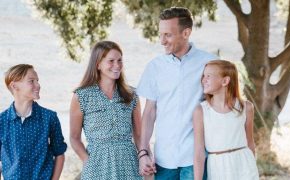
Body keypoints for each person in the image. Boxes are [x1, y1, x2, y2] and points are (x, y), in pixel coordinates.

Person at [137, 7, 218, 179]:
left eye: (168, 35)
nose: (162, 41)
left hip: (196, 158)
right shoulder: (155, 67)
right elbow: (149, 112)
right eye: (161, 34)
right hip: (163, 159)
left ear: (186, 33)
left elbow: (221, 106)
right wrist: (143, 152)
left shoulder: (209, 63)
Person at [69, 41, 142, 179]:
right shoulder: (82, 96)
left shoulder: (131, 95)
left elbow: (139, 135)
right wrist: (86, 160)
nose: (117, 65)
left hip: (128, 163)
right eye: (111, 61)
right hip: (96, 164)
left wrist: (144, 157)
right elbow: (74, 137)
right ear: (98, 64)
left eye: (120, 60)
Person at [193, 60, 259, 180]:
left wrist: (252, 168)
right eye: (203, 76)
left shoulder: (246, 107)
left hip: (244, 166)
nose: (203, 80)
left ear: (225, 81)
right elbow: (199, 151)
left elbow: (250, 142)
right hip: (218, 167)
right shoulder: (201, 111)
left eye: (209, 76)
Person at [0, 64, 67, 180]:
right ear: (14, 86)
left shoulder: (49, 117)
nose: (38, 85)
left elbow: (59, 153)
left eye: (37, 80)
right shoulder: (2, 121)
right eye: (31, 81)